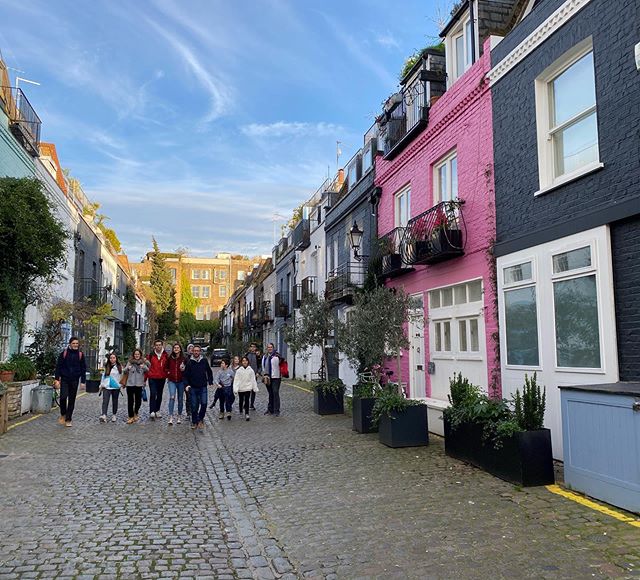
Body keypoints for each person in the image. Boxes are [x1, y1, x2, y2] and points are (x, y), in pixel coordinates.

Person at [54, 336, 87, 427]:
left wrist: (83, 381)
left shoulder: (80, 355)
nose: (75, 345)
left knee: (72, 400)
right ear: (70, 344)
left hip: (75, 380)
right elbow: (58, 367)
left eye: (77, 343)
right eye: (73, 343)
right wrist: (57, 379)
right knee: (63, 397)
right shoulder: (64, 354)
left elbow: (83, 368)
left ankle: (68, 419)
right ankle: (63, 414)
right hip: (64, 379)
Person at [183, 345, 213, 429]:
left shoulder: (204, 361)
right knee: (194, 405)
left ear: (200, 352)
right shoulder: (189, 362)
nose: (196, 352)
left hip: (203, 386)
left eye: (197, 351)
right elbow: (185, 376)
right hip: (193, 387)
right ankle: (194, 421)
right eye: (194, 351)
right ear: (192, 352)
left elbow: (209, 371)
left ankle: (200, 419)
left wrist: (210, 381)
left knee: (204, 403)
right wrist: (187, 385)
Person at [123, 349, 149, 424]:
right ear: (133, 355)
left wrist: (143, 366)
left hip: (139, 384)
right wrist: (128, 368)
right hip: (130, 384)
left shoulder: (143, 362)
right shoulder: (130, 362)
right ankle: (130, 416)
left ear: (140, 355)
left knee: (138, 401)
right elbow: (124, 371)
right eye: (135, 354)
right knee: (130, 401)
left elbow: (148, 370)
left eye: (138, 354)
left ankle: (136, 412)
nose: (137, 355)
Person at [147, 339, 168, 419]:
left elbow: (167, 366)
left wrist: (166, 374)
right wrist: (146, 377)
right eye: (157, 345)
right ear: (154, 346)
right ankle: (152, 411)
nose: (158, 346)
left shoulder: (165, 355)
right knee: (153, 393)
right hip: (152, 377)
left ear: (162, 346)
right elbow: (147, 367)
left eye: (159, 345)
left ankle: (157, 410)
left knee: (159, 394)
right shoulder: (151, 355)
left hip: (161, 377)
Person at [166, 343, 186, 425]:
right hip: (172, 381)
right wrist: (168, 373)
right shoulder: (170, 358)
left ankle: (179, 416)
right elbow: (166, 367)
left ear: (180, 349)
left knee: (180, 399)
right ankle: (170, 416)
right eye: (175, 348)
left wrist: (183, 369)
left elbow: (187, 369)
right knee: (172, 397)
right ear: (173, 349)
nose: (176, 349)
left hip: (181, 381)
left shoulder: (184, 359)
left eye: (178, 348)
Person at [234, 356, 259, 421]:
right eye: (243, 361)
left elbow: (253, 380)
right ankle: (241, 410)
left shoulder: (251, 370)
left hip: (248, 387)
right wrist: (235, 388)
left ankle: (247, 413)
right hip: (241, 388)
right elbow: (236, 380)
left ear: (248, 362)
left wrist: (255, 388)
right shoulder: (239, 371)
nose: (245, 362)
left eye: (246, 361)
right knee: (241, 400)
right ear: (241, 362)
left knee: (247, 400)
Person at [99, 353, 122, 423]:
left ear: (116, 359)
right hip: (106, 386)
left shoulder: (119, 367)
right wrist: (101, 385)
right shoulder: (106, 366)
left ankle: (114, 415)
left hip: (115, 387)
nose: (112, 359)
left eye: (114, 358)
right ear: (109, 359)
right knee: (105, 401)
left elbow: (122, 376)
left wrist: (121, 385)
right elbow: (103, 376)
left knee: (115, 401)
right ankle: (104, 415)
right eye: (111, 358)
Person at [261, 343, 281, 416]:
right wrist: (264, 375)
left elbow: (280, 365)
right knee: (270, 393)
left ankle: (276, 410)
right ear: (267, 348)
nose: (269, 348)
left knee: (275, 392)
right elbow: (263, 366)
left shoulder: (277, 356)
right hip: (267, 378)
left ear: (273, 348)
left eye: (271, 347)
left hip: (276, 377)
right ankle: (270, 409)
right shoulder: (265, 357)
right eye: (268, 347)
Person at [245, 343, 261, 410]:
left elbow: (260, 365)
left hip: (254, 374)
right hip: (246, 374)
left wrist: (258, 372)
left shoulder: (258, 356)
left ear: (255, 348)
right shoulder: (247, 355)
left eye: (254, 347)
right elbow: (243, 364)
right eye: (251, 347)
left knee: (253, 390)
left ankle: (251, 404)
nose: (252, 348)